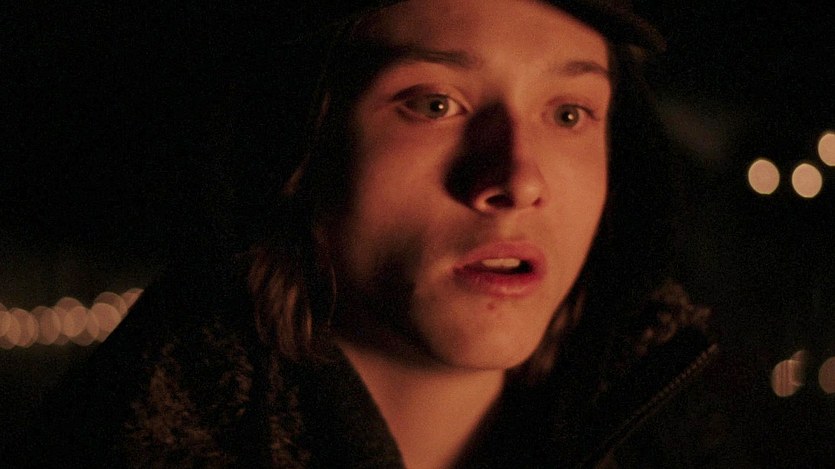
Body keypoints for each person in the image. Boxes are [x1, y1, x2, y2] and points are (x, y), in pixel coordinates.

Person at [9, 1, 730, 467]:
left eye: (568, 114)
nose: (517, 178)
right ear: (297, 148)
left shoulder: (690, 441)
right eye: (434, 103)